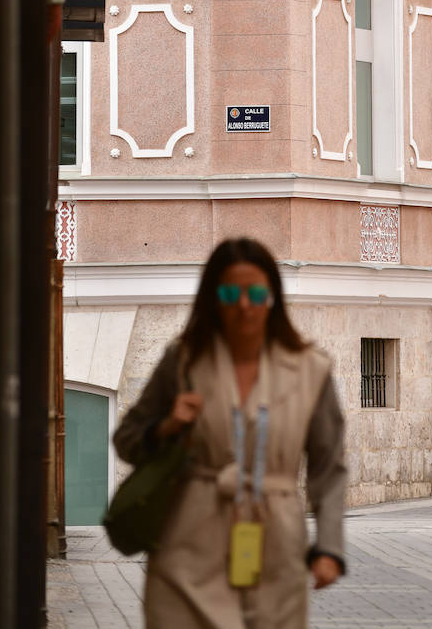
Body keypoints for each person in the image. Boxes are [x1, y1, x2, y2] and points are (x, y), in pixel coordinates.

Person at [113, 237, 346, 628]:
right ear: (212, 298)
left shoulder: (310, 369)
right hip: (187, 547)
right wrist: (167, 426)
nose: (243, 306)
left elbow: (329, 465)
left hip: (276, 546)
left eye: (256, 293)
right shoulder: (184, 360)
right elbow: (127, 440)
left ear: (271, 297)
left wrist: (329, 547)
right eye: (230, 293)